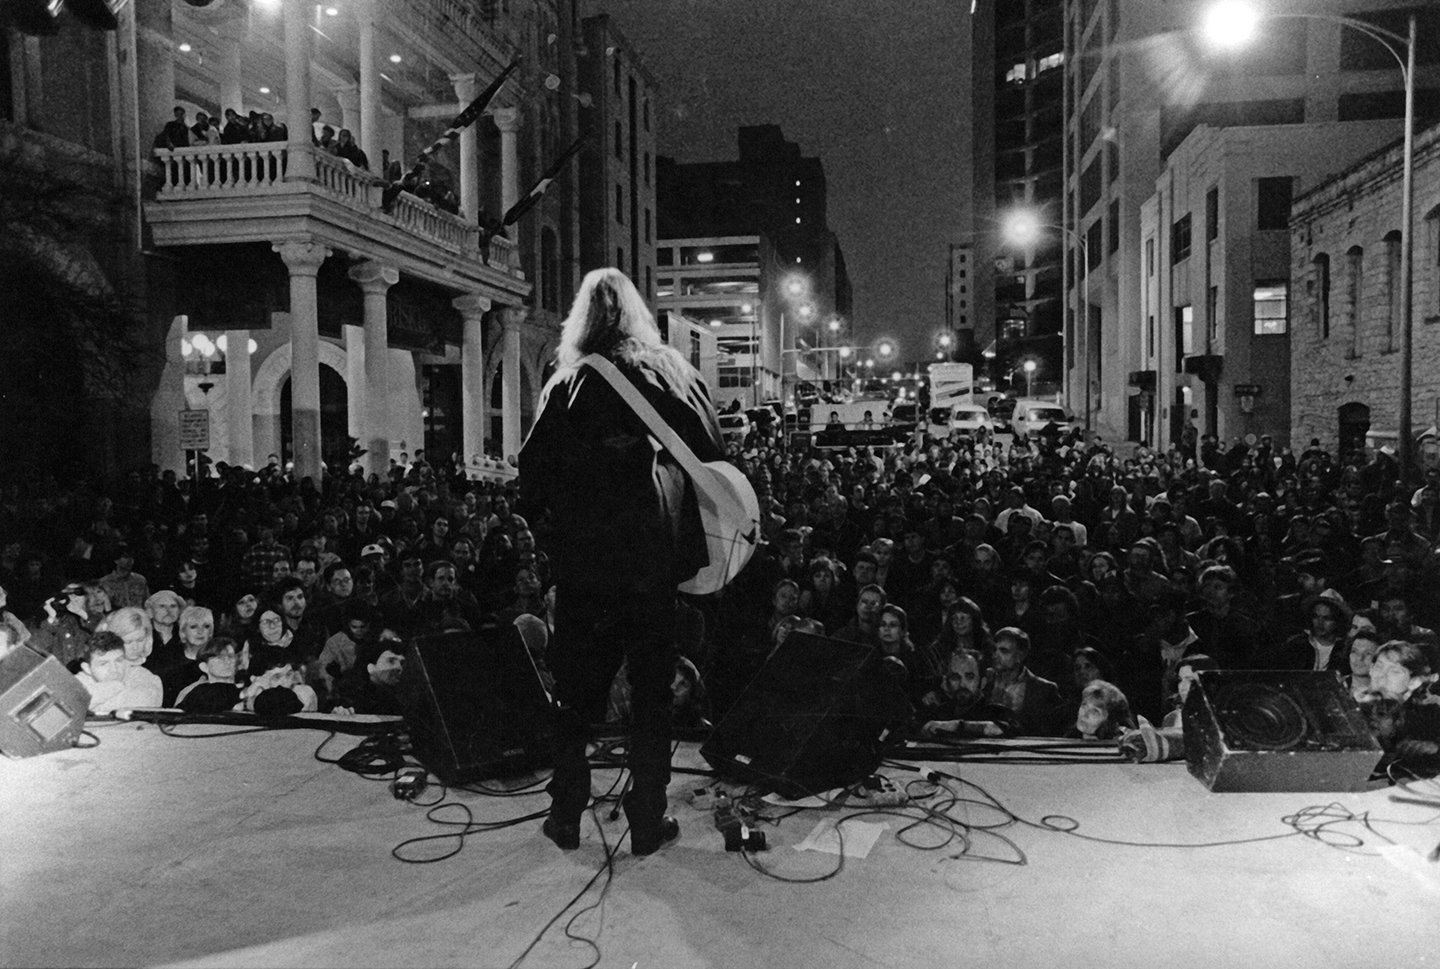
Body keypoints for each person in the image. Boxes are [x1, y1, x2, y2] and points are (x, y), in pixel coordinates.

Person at [519, 267, 724, 856]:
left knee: (577, 691)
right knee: (652, 691)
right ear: (638, 314)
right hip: (652, 562)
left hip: (587, 565)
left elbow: (531, 479)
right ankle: (646, 819)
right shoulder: (673, 372)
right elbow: (713, 455)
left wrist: (562, 529)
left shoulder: (567, 383)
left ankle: (565, 814)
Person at [74, 631, 163, 715]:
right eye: (104, 664)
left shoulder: (142, 675)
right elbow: (73, 703)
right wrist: (117, 685)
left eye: (119, 660)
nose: (114, 669)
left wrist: (92, 708)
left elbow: (146, 700)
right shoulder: (77, 681)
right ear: (87, 668)